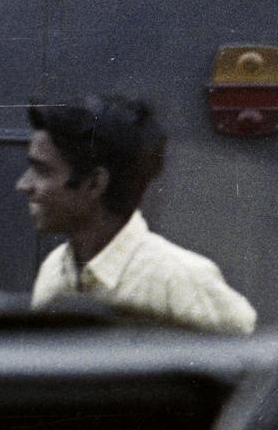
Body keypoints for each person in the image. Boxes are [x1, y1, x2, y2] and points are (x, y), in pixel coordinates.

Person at [16, 94, 256, 333]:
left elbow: (247, 353)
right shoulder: (54, 270)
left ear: (95, 183)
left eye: (42, 170)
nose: (23, 184)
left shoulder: (180, 280)